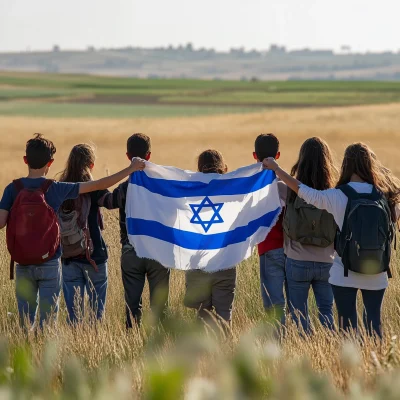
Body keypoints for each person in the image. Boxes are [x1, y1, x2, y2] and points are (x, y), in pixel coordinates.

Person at [0, 134, 145, 329]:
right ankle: (50, 355)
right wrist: (131, 170)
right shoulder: (55, 189)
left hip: (29, 263)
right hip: (53, 261)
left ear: (25, 160)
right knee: (49, 323)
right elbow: (100, 187)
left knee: (28, 322)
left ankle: (29, 353)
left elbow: (1, 222)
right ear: (50, 163)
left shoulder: (12, 189)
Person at [263, 142, 400, 338]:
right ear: (370, 165)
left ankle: (347, 365)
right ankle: (374, 364)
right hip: (378, 272)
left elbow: (305, 192)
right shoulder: (383, 196)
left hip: (344, 272)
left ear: (346, 165)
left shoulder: (338, 196)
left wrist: (277, 170)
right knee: (374, 324)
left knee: (347, 328)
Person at [98, 133, 170, 328]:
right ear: (149, 156)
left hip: (132, 251)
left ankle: (132, 342)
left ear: (128, 156)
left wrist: (97, 186)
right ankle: (160, 345)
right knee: (160, 307)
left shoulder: (125, 188)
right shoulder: (162, 187)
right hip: (158, 252)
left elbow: (107, 201)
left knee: (132, 306)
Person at [280, 138, 337, 333]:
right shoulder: (334, 193)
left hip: (296, 261)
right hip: (326, 262)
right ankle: (328, 350)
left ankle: (307, 353)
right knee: (326, 311)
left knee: (298, 313)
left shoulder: (288, 190)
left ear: (301, 160)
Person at [184, 149, 237, 329]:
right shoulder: (232, 195)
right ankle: (227, 354)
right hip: (224, 263)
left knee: (202, 319)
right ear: (224, 168)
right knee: (224, 318)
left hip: (198, 265)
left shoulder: (188, 195)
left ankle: (203, 355)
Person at [58, 144, 109, 324]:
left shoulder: (61, 187)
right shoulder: (94, 187)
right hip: (94, 257)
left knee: (74, 317)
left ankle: (75, 348)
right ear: (91, 164)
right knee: (96, 317)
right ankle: (93, 348)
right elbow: (111, 201)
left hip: (68, 257)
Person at [253, 134, 287, 323]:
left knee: (274, 306)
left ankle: (278, 345)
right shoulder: (288, 185)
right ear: (278, 155)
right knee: (295, 304)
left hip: (268, 249)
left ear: (254, 155)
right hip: (293, 250)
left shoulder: (252, 190)